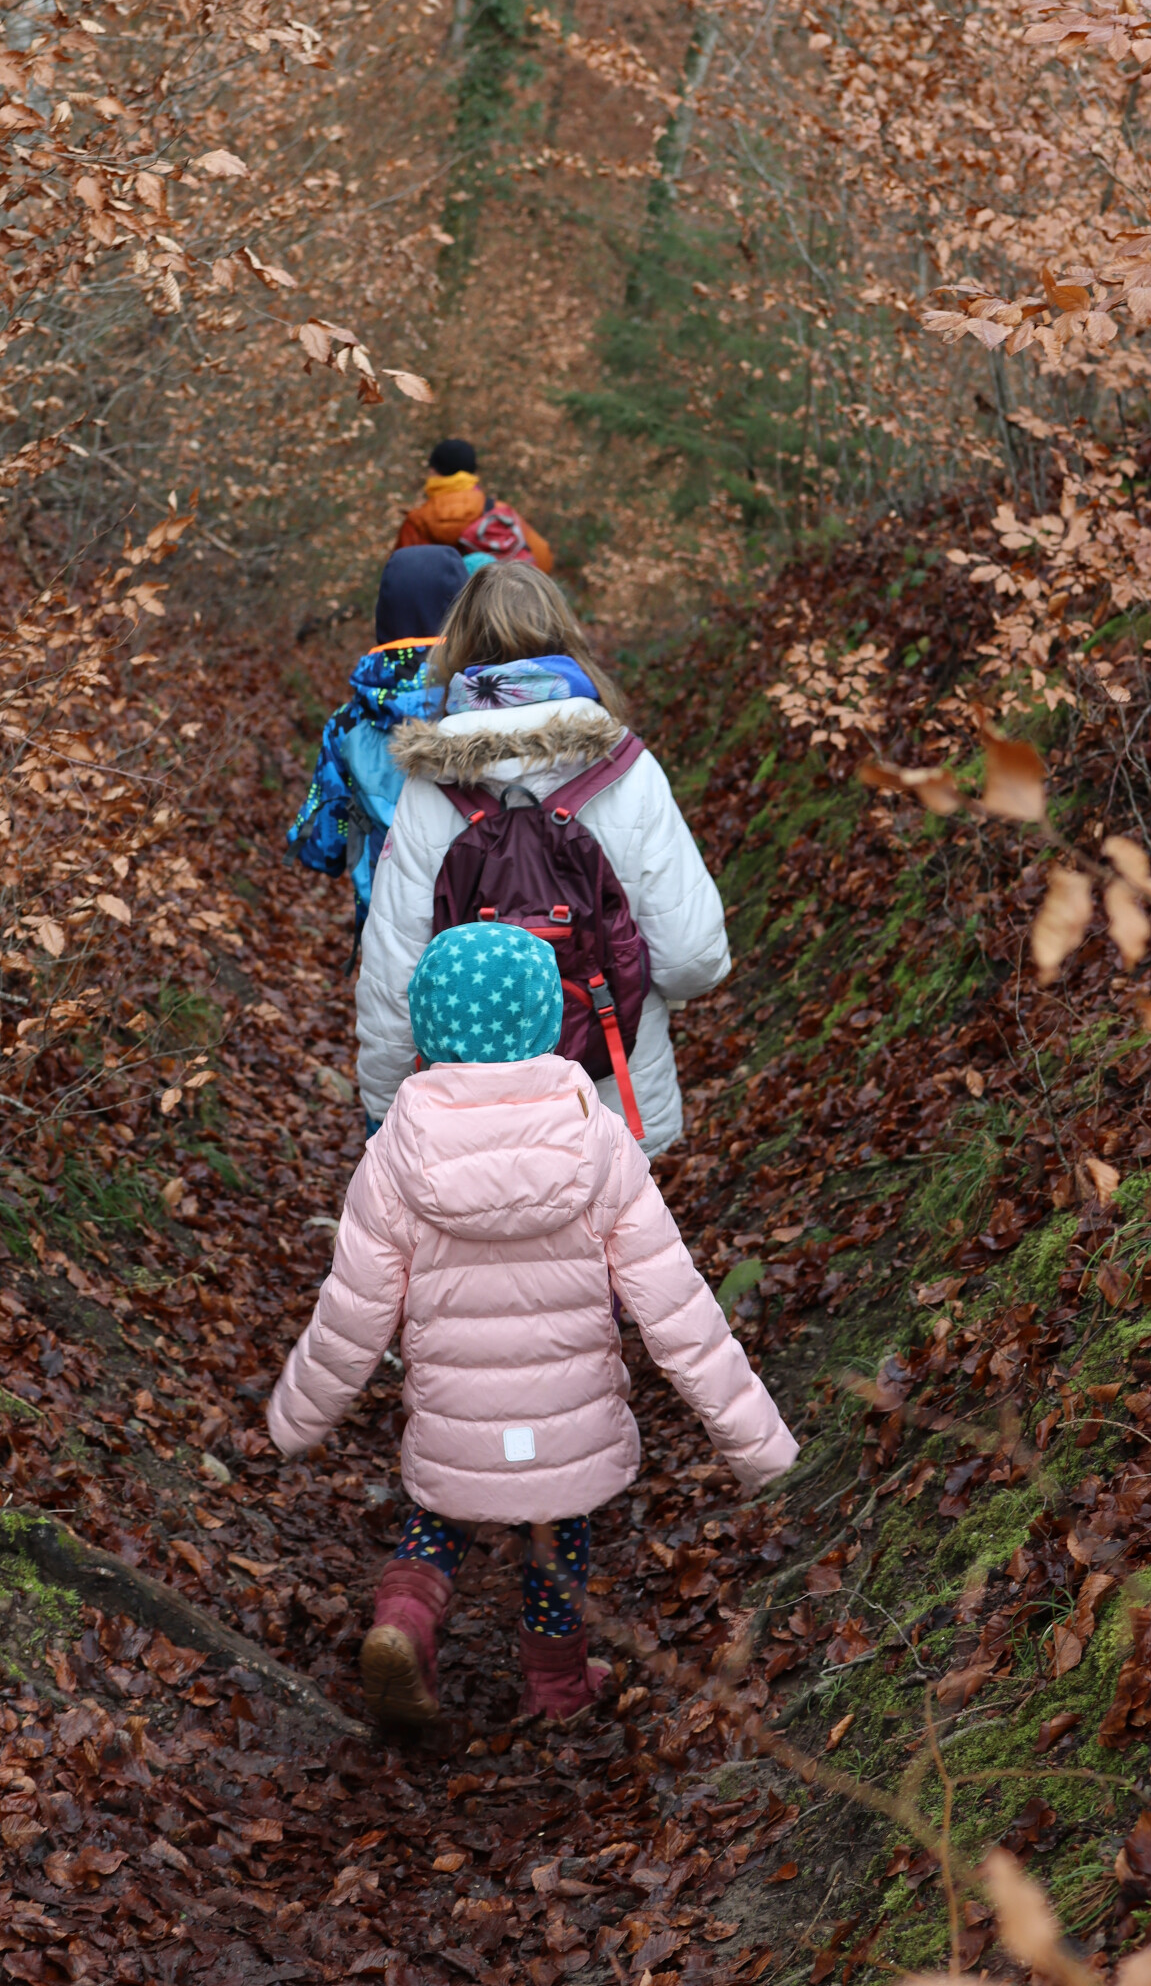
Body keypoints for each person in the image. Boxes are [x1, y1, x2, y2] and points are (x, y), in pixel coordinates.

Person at [267, 922, 797, 1724]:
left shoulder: (395, 1155)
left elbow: (352, 1312)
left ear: (426, 1025)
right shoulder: (598, 1140)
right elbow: (676, 1305)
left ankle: (403, 1621)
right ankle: (555, 1688)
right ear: (547, 1018)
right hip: (567, 1417)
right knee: (557, 1538)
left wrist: (296, 1418)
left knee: (441, 1518)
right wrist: (758, 1444)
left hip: (457, 1414)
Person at [355, 561, 729, 1157]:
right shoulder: (626, 769)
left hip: (471, 1115)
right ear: (564, 638)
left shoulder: (430, 789)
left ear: (460, 647)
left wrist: (384, 1104)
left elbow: (393, 972)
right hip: (608, 1101)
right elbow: (693, 959)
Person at [287, 547, 467, 935]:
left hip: (389, 925)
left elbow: (323, 848)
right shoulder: (489, 703)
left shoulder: (347, 723)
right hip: (485, 925)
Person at [393, 437, 555, 574]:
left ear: (434, 471)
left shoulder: (417, 522)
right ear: (472, 472)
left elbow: (399, 576)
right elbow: (544, 560)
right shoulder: (497, 511)